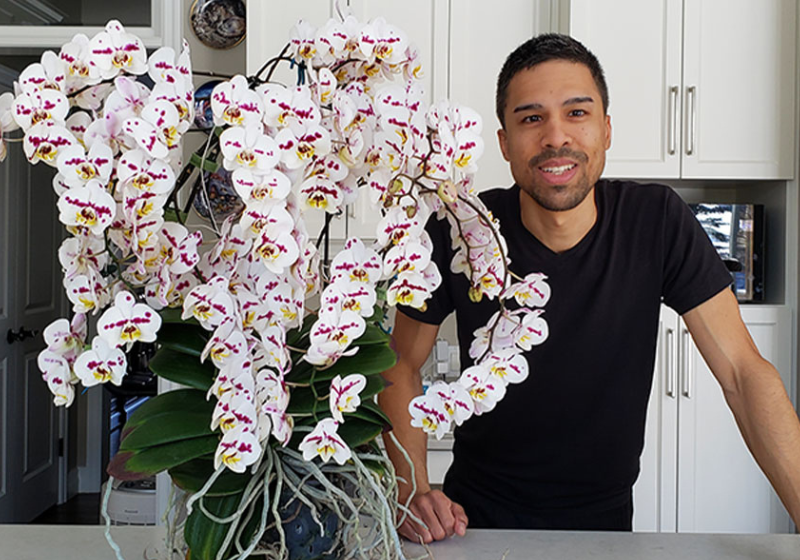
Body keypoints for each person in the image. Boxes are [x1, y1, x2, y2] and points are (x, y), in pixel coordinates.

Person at [378, 33, 800, 543]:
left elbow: (742, 371)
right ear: (505, 142)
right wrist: (411, 489)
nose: (555, 137)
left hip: (607, 528)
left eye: (576, 113)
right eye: (531, 118)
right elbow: (398, 362)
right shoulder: (462, 226)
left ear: (605, 129)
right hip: (472, 527)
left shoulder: (658, 221)